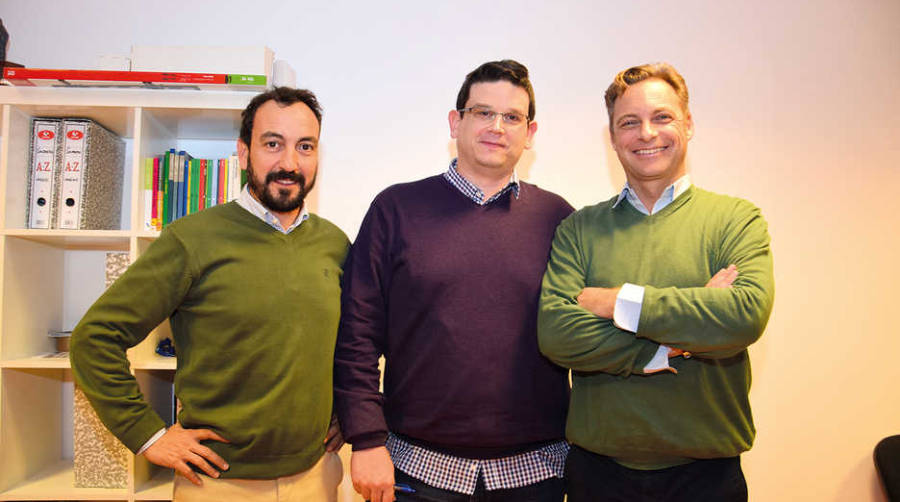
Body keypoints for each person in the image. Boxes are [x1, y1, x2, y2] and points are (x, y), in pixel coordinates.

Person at [70, 87, 350, 502]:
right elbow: (93, 339)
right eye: (272, 144)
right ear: (243, 152)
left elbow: (350, 344)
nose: (289, 163)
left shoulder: (335, 243)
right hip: (218, 484)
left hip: (317, 477)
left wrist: (349, 411)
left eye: (304, 146)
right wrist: (149, 436)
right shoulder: (191, 239)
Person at [333, 60, 573, 502]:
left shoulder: (560, 219)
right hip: (418, 472)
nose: (497, 127)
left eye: (512, 117)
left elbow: (584, 328)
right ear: (455, 121)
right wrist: (365, 438)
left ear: (530, 132)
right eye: (483, 112)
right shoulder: (395, 210)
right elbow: (357, 335)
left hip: (535, 474)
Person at [537, 62, 775, 502]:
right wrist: (675, 341)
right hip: (597, 474)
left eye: (662, 117)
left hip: (706, 477)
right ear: (612, 138)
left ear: (688, 123)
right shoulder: (579, 229)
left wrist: (618, 303)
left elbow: (742, 317)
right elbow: (558, 335)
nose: (647, 133)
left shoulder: (736, 220)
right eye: (629, 122)